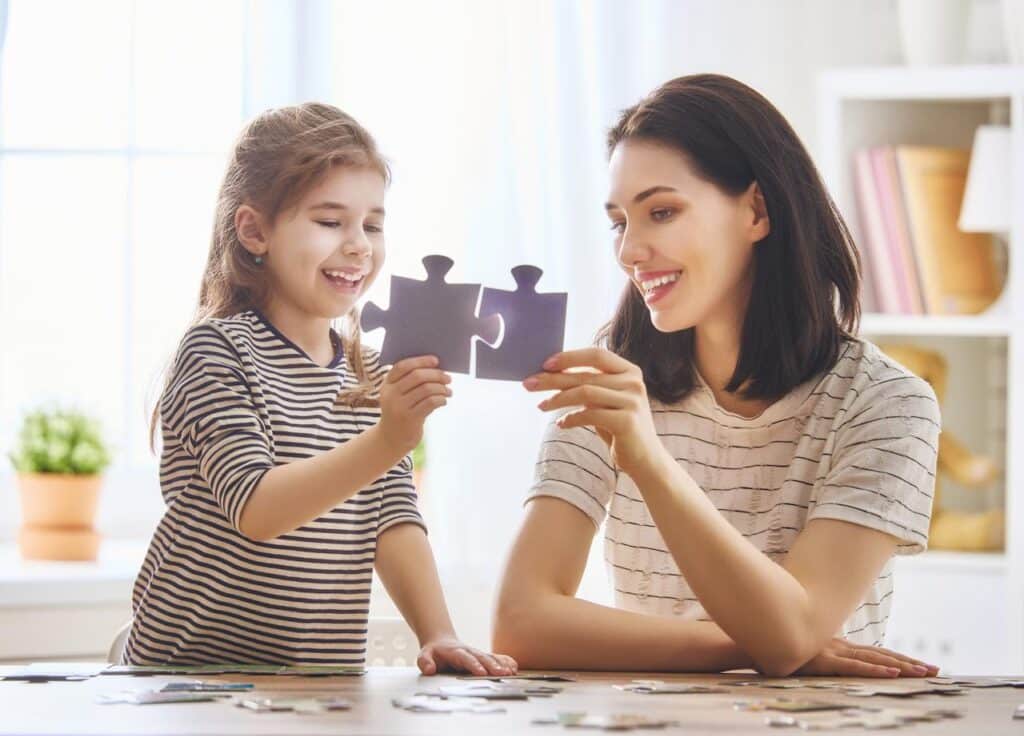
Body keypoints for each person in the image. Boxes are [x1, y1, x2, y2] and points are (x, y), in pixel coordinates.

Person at [495, 74, 941, 678]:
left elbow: (794, 627)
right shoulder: (614, 387)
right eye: (619, 222)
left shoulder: (886, 404)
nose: (628, 250)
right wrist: (750, 642)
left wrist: (648, 460)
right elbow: (520, 623)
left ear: (756, 210)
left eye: (661, 212)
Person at [124, 103, 515, 676]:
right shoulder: (217, 351)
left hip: (315, 683)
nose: (359, 246)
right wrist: (389, 438)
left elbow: (392, 517)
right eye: (331, 222)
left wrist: (439, 632)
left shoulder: (371, 372)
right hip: (188, 681)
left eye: (373, 225)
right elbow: (256, 508)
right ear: (255, 230)